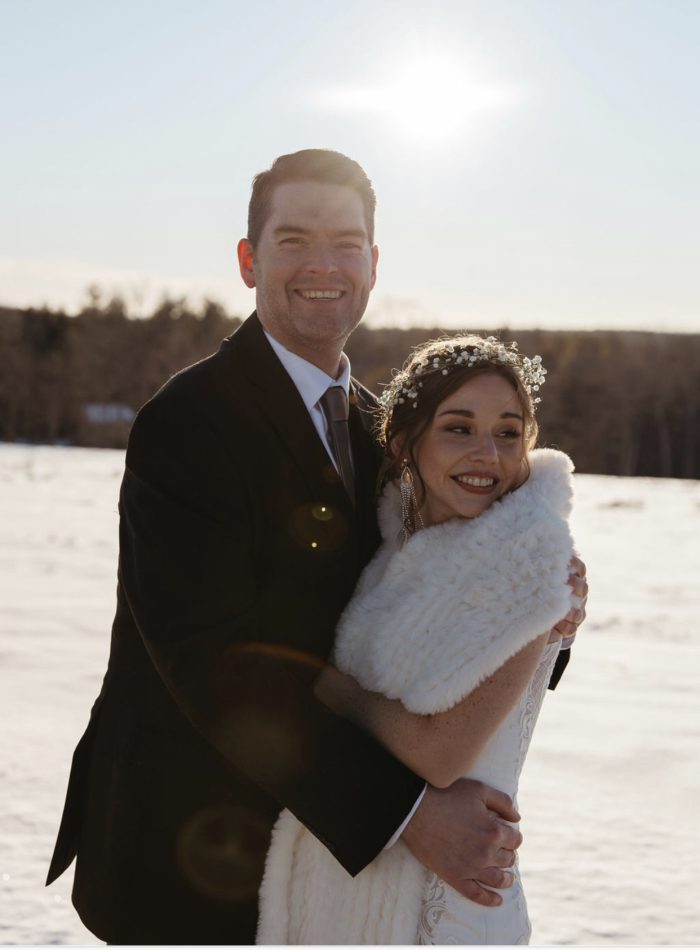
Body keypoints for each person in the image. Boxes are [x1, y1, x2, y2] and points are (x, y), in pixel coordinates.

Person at [46, 149, 586, 944]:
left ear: (373, 264)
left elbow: (434, 588)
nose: (322, 264)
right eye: (294, 239)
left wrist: (547, 614)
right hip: (193, 851)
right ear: (248, 259)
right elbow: (213, 660)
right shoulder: (189, 422)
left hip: (323, 876)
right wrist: (406, 815)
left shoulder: (381, 430)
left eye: (345, 242)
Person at [257, 333, 580, 944]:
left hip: (442, 906)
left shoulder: (530, 555)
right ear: (405, 443)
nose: (487, 453)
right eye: (458, 428)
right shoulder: (394, 552)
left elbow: (440, 754)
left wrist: (323, 684)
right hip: (343, 888)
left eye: (508, 432)